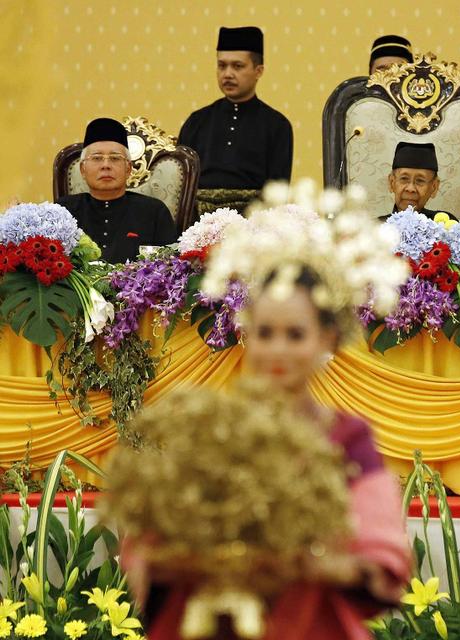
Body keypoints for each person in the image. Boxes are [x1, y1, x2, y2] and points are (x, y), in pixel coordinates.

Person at [119, 199, 412, 640]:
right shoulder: (209, 427)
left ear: (326, 339)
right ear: (246, 333)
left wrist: (321, 564)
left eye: (295, 335)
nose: (278, 349)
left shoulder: (345, 438)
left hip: (309, 621)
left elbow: (380, 551)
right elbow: (148, 540)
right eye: (265, 332)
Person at [178, 26, 293, 216]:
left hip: (253, 226)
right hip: (198, 224)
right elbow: (181, 186)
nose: (227, 74)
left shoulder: (277, 125)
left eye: (237, 66)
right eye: (222, 66)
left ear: (259, 71)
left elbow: (277, 193)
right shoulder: (197, 121)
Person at [56, 118, 177, 263]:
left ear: (128, 169)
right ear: (83, 169)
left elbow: (170, 267)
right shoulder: (63, 212)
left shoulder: (154, 212)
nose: (106, 165)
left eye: (114, 158)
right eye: (97, 158)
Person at [386, 142, 455, 220]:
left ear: (434, 187)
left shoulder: (445, 225)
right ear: (392, 183)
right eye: (404, 179)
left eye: (420, 181)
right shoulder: (376, 228)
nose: (410, 189)